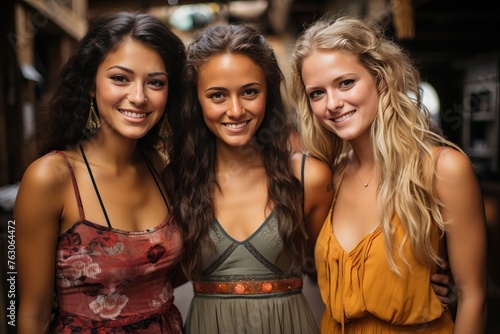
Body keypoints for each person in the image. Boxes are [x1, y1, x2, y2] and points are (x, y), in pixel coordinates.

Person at [290, 15, 488, 333]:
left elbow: (473, 296)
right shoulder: (329, 178)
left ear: (380, 79)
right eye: (317, 93)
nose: (333, 103)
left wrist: (424, 290)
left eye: (345, 83)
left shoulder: (443, 170)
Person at [14, 11, 186, 333]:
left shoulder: (160, 168)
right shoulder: (51, 177)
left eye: (155, 82)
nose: (138, 97)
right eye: (120, 78)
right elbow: (29, 314)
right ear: (91, 85)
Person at [168, 23, 333, 334]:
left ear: (268, 93)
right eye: (217, 95)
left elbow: (330, 272)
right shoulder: (175, 180)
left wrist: (420, 281)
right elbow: (157, 275)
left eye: (249, 92)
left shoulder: (308, 176)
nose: (235, 110)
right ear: (196, 100)